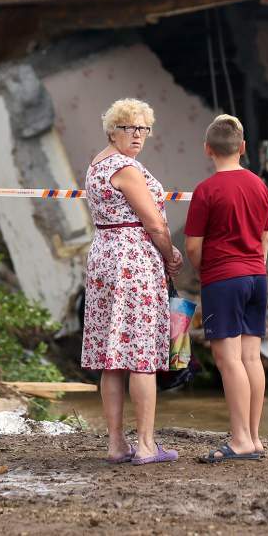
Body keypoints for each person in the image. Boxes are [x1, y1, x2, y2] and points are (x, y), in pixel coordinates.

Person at [82, 98, 183, 466]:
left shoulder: (97, 163)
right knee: (141, 355)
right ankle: (145, 444)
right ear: (112, 130)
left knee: (112, 357)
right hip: (133, 261)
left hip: (104, 257)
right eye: (129, 128)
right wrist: (171, 254)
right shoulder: (126, 168)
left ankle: (115, 444)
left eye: (143, 128)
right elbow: (154, 223)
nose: (138, 135)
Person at [185, 114, 268, 463]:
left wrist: (206, 271)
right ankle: (253, 436)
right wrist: (256, 264)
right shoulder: (259, 186)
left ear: (208, 149)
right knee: (251, 357)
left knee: (228, 359)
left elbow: (193, 246)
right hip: (257, 276)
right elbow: (265, 235)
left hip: (223, 277)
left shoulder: (206, 191)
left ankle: (239, 440)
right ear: (243, 148)